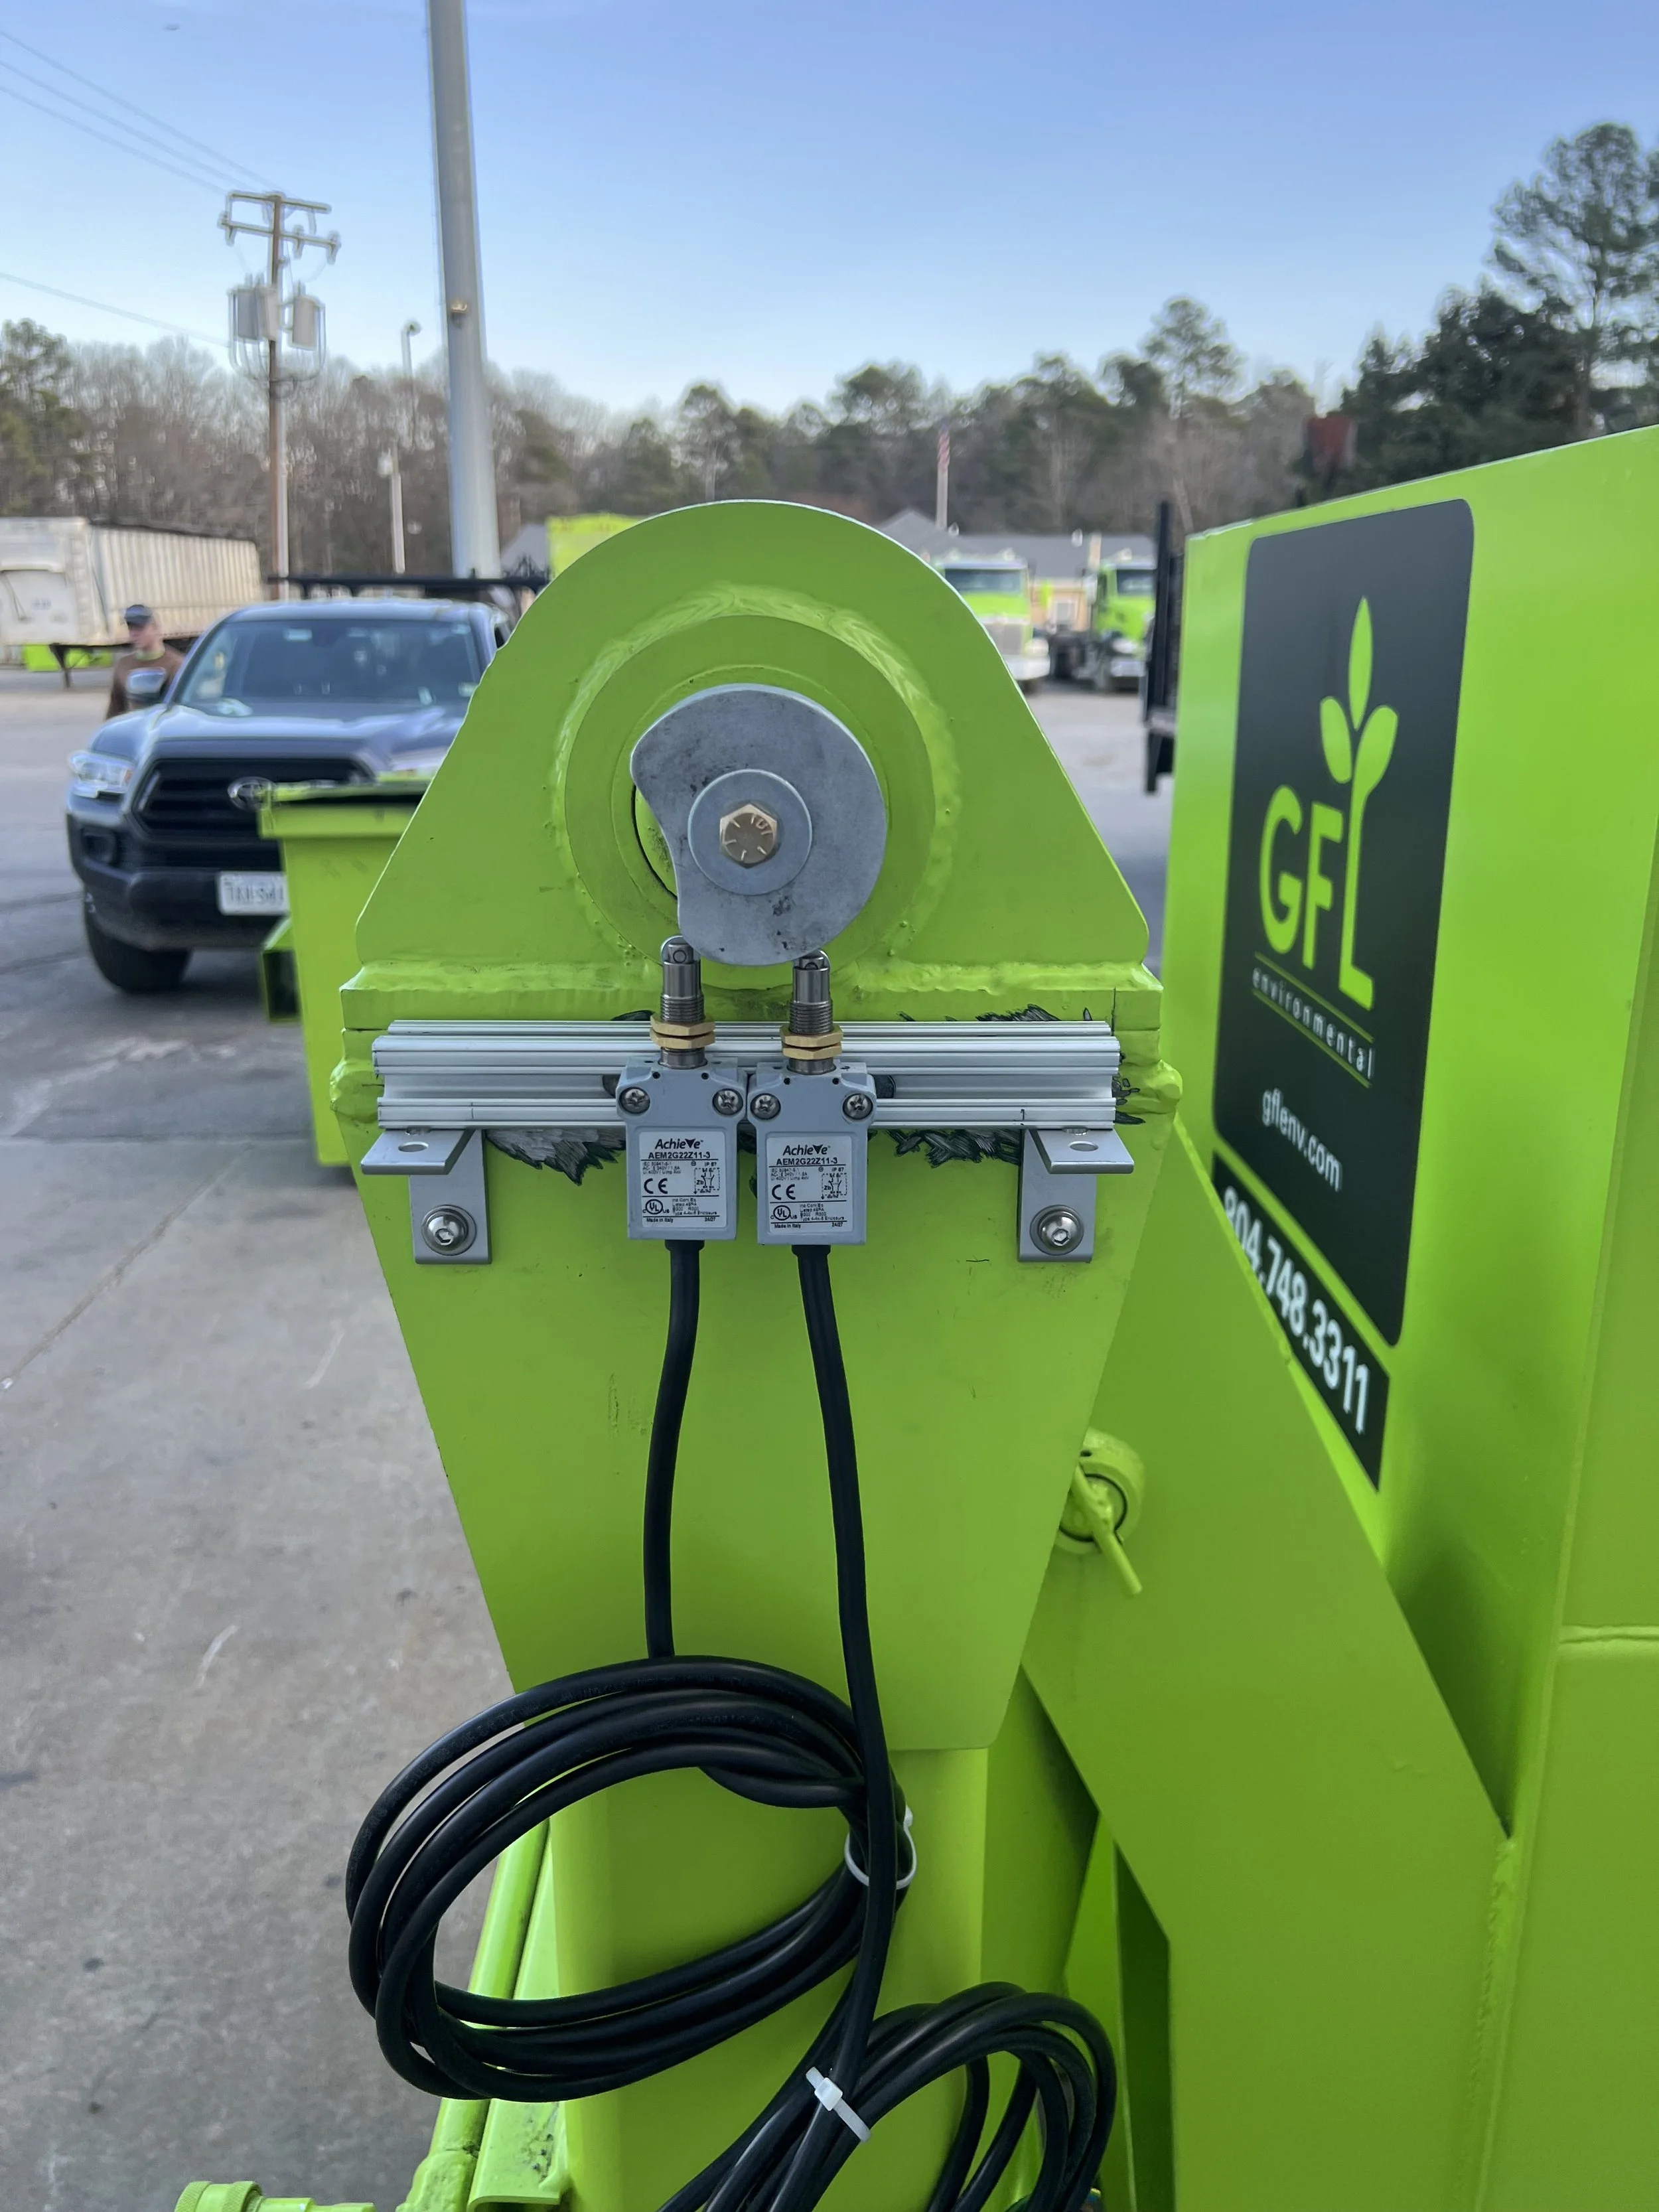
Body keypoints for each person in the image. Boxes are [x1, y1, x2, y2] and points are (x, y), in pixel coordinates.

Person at [107, 605, 184, 718]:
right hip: (133, 730)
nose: (134, 633)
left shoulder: (176, 664)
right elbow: (116, 709)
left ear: (155, 627)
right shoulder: (123, 665)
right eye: (130, 628)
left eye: (140, 627)